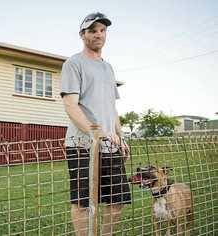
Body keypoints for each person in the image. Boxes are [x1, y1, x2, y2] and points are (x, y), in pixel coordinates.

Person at [60, 12, 131, 235]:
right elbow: (71, 105)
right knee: (84, 202)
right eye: (93, 30)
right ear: (82, 35)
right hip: (82, 144)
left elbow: (112, 107)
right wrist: (97, 132)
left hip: (111, 144)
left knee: (116, 200)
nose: (98, 34)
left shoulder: (108, 68)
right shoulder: (73, 63)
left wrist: (121, 136)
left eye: (102, 30)